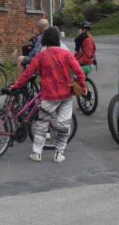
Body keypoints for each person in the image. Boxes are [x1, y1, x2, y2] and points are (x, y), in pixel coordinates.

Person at [10, 26, 86, 163]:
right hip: (66, 95)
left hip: (49, 96)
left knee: (42, 124)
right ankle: (59, 154)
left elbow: (27, 74)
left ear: (44, 40)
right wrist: (83, 88)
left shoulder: (40, 56)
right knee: (64, 124)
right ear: (58, 39)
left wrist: (16, 86)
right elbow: (79, 73)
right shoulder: (66, 54)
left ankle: (37, 153)